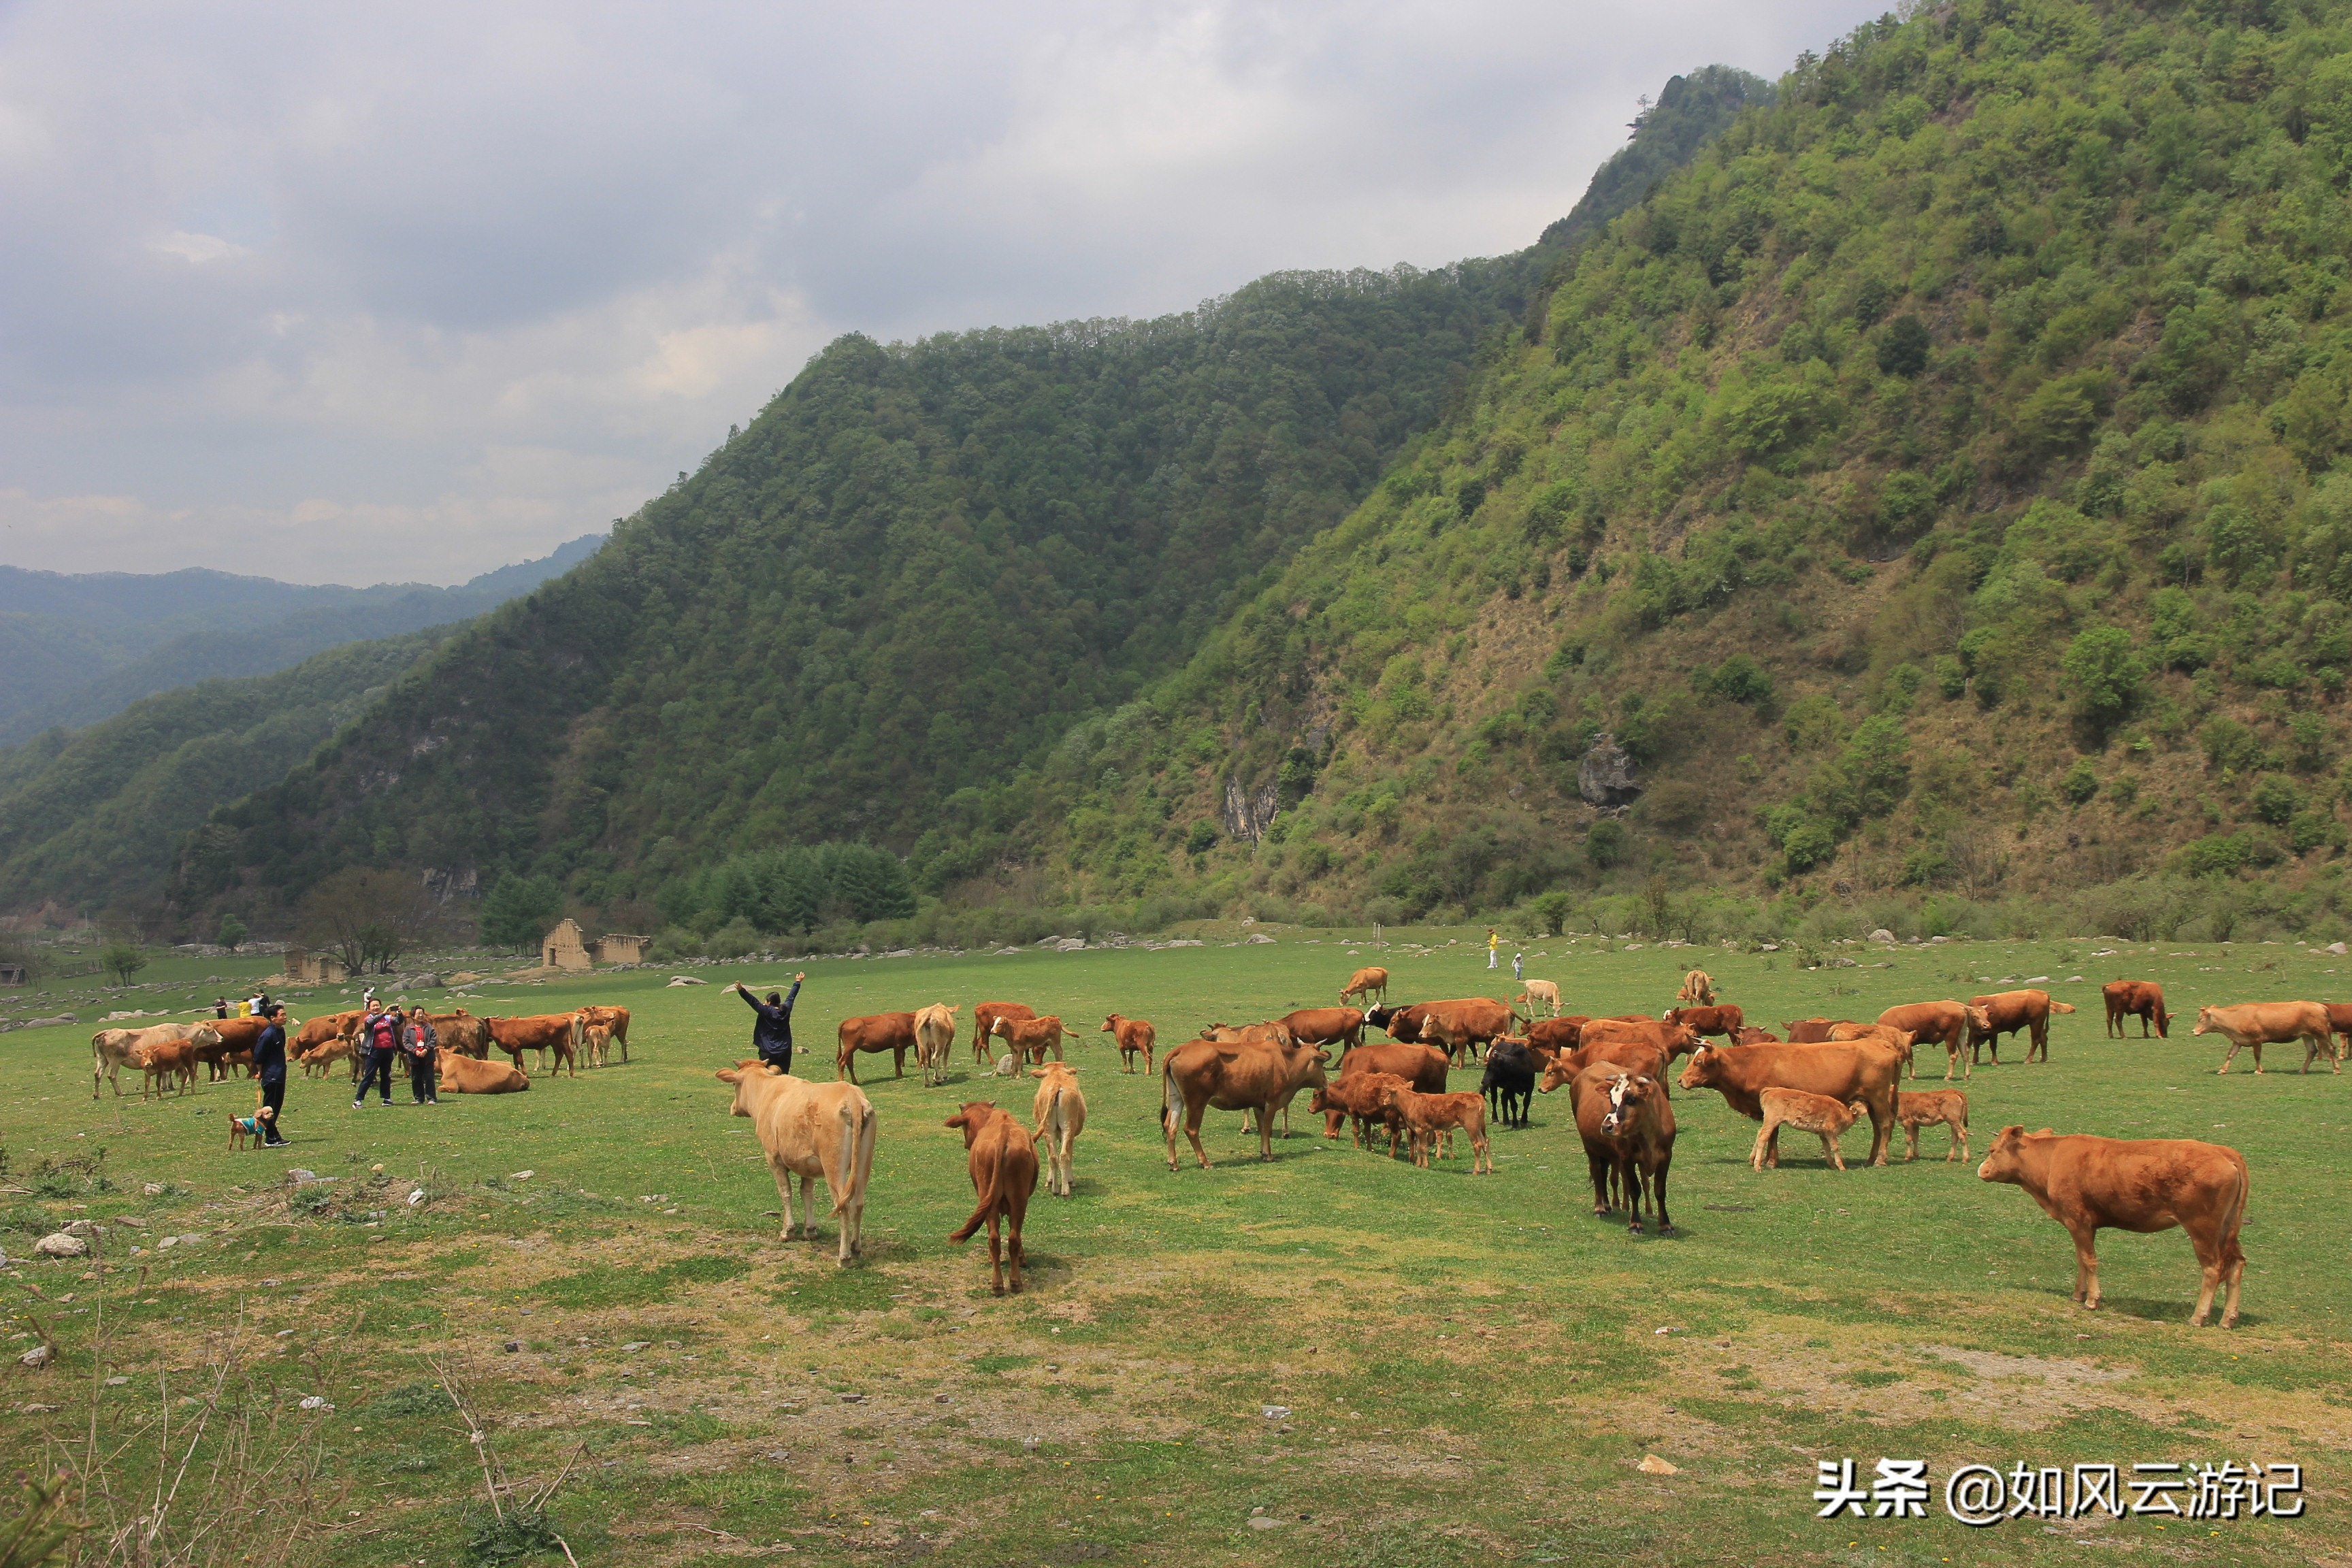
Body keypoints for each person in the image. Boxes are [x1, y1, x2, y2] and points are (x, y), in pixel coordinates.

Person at [733, 974, 806, 1073]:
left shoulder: (765, 1010)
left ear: (769, 1002)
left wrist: (741, 990)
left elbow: (753, 1001)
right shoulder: (786, 1009)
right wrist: (797, 982)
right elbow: (791, 997)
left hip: (767, 1051)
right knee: (783, 1077)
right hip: (784, 1050)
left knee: (766, 1078)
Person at [252, 1002, 290, 1146]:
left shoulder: (280, 1031)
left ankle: (271, 1135)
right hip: (271, 1075)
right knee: (270, 1108)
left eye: (285, 1014)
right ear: (273, 1018)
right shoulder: (268, 1035)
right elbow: (258, 1056)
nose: (285, 1017)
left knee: (277, 1106)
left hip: (279, 1073)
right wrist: (261, 1072)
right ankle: (271, 1137)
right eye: (282, 1015)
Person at [353, 1003, 397, 1107]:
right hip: (374, 1051)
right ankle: (358, 1100)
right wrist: (383, 1014)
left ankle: (387, 1099)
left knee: (386, 1075)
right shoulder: (368, 1019)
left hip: (387, 1050)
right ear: (369, 1009)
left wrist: (399, 1013)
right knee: (369, 1075)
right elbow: (371, 1023)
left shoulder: (387, 1018)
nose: (376, 1008)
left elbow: (398, 1021)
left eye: (378, 1005)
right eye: (373, 1006)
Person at [401, 1004, 439, 1105]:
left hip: (428, 1057)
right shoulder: (409, 1029)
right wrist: (415, 1051)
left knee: (429, 1078)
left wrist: (426, 1049)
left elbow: (433, 1039)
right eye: (418, 1014)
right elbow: (406, 1042)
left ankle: (431, 1098)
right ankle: (419, 1098)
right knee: (416, 1078)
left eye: (422, 1013)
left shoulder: (429, 1027)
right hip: (415, 1058)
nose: (421, 1016)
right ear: (413, 1016)